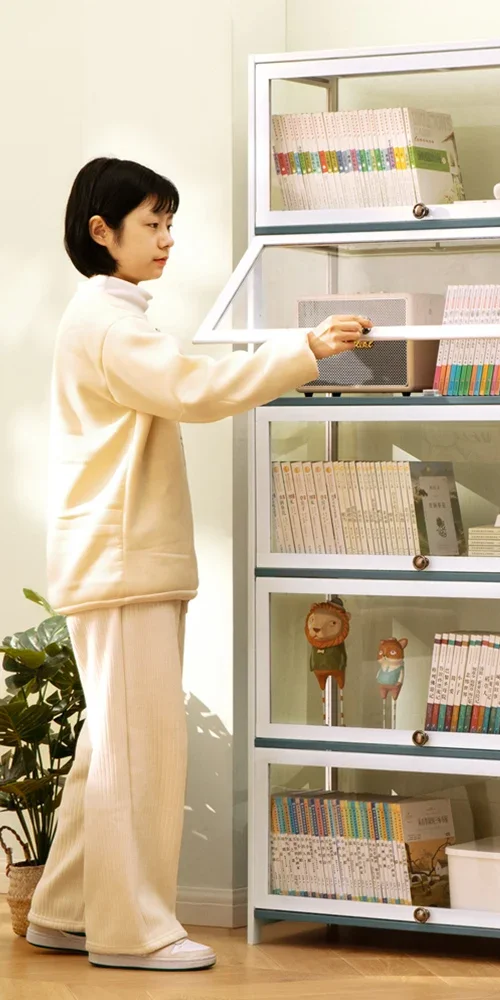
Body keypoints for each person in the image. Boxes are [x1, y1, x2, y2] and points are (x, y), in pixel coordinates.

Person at [26, 157, 369, 972]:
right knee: (138, 752)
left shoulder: (109, 316)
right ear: (99, 231)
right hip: (122, 562)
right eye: (152, 224)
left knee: (113, 749)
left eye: (169, 224)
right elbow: (195, 390)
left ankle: (67, 911)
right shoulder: (110, 325)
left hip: (120, 559)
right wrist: (305, 351)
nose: (167, 240)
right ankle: (131, 930)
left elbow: (183, 384)